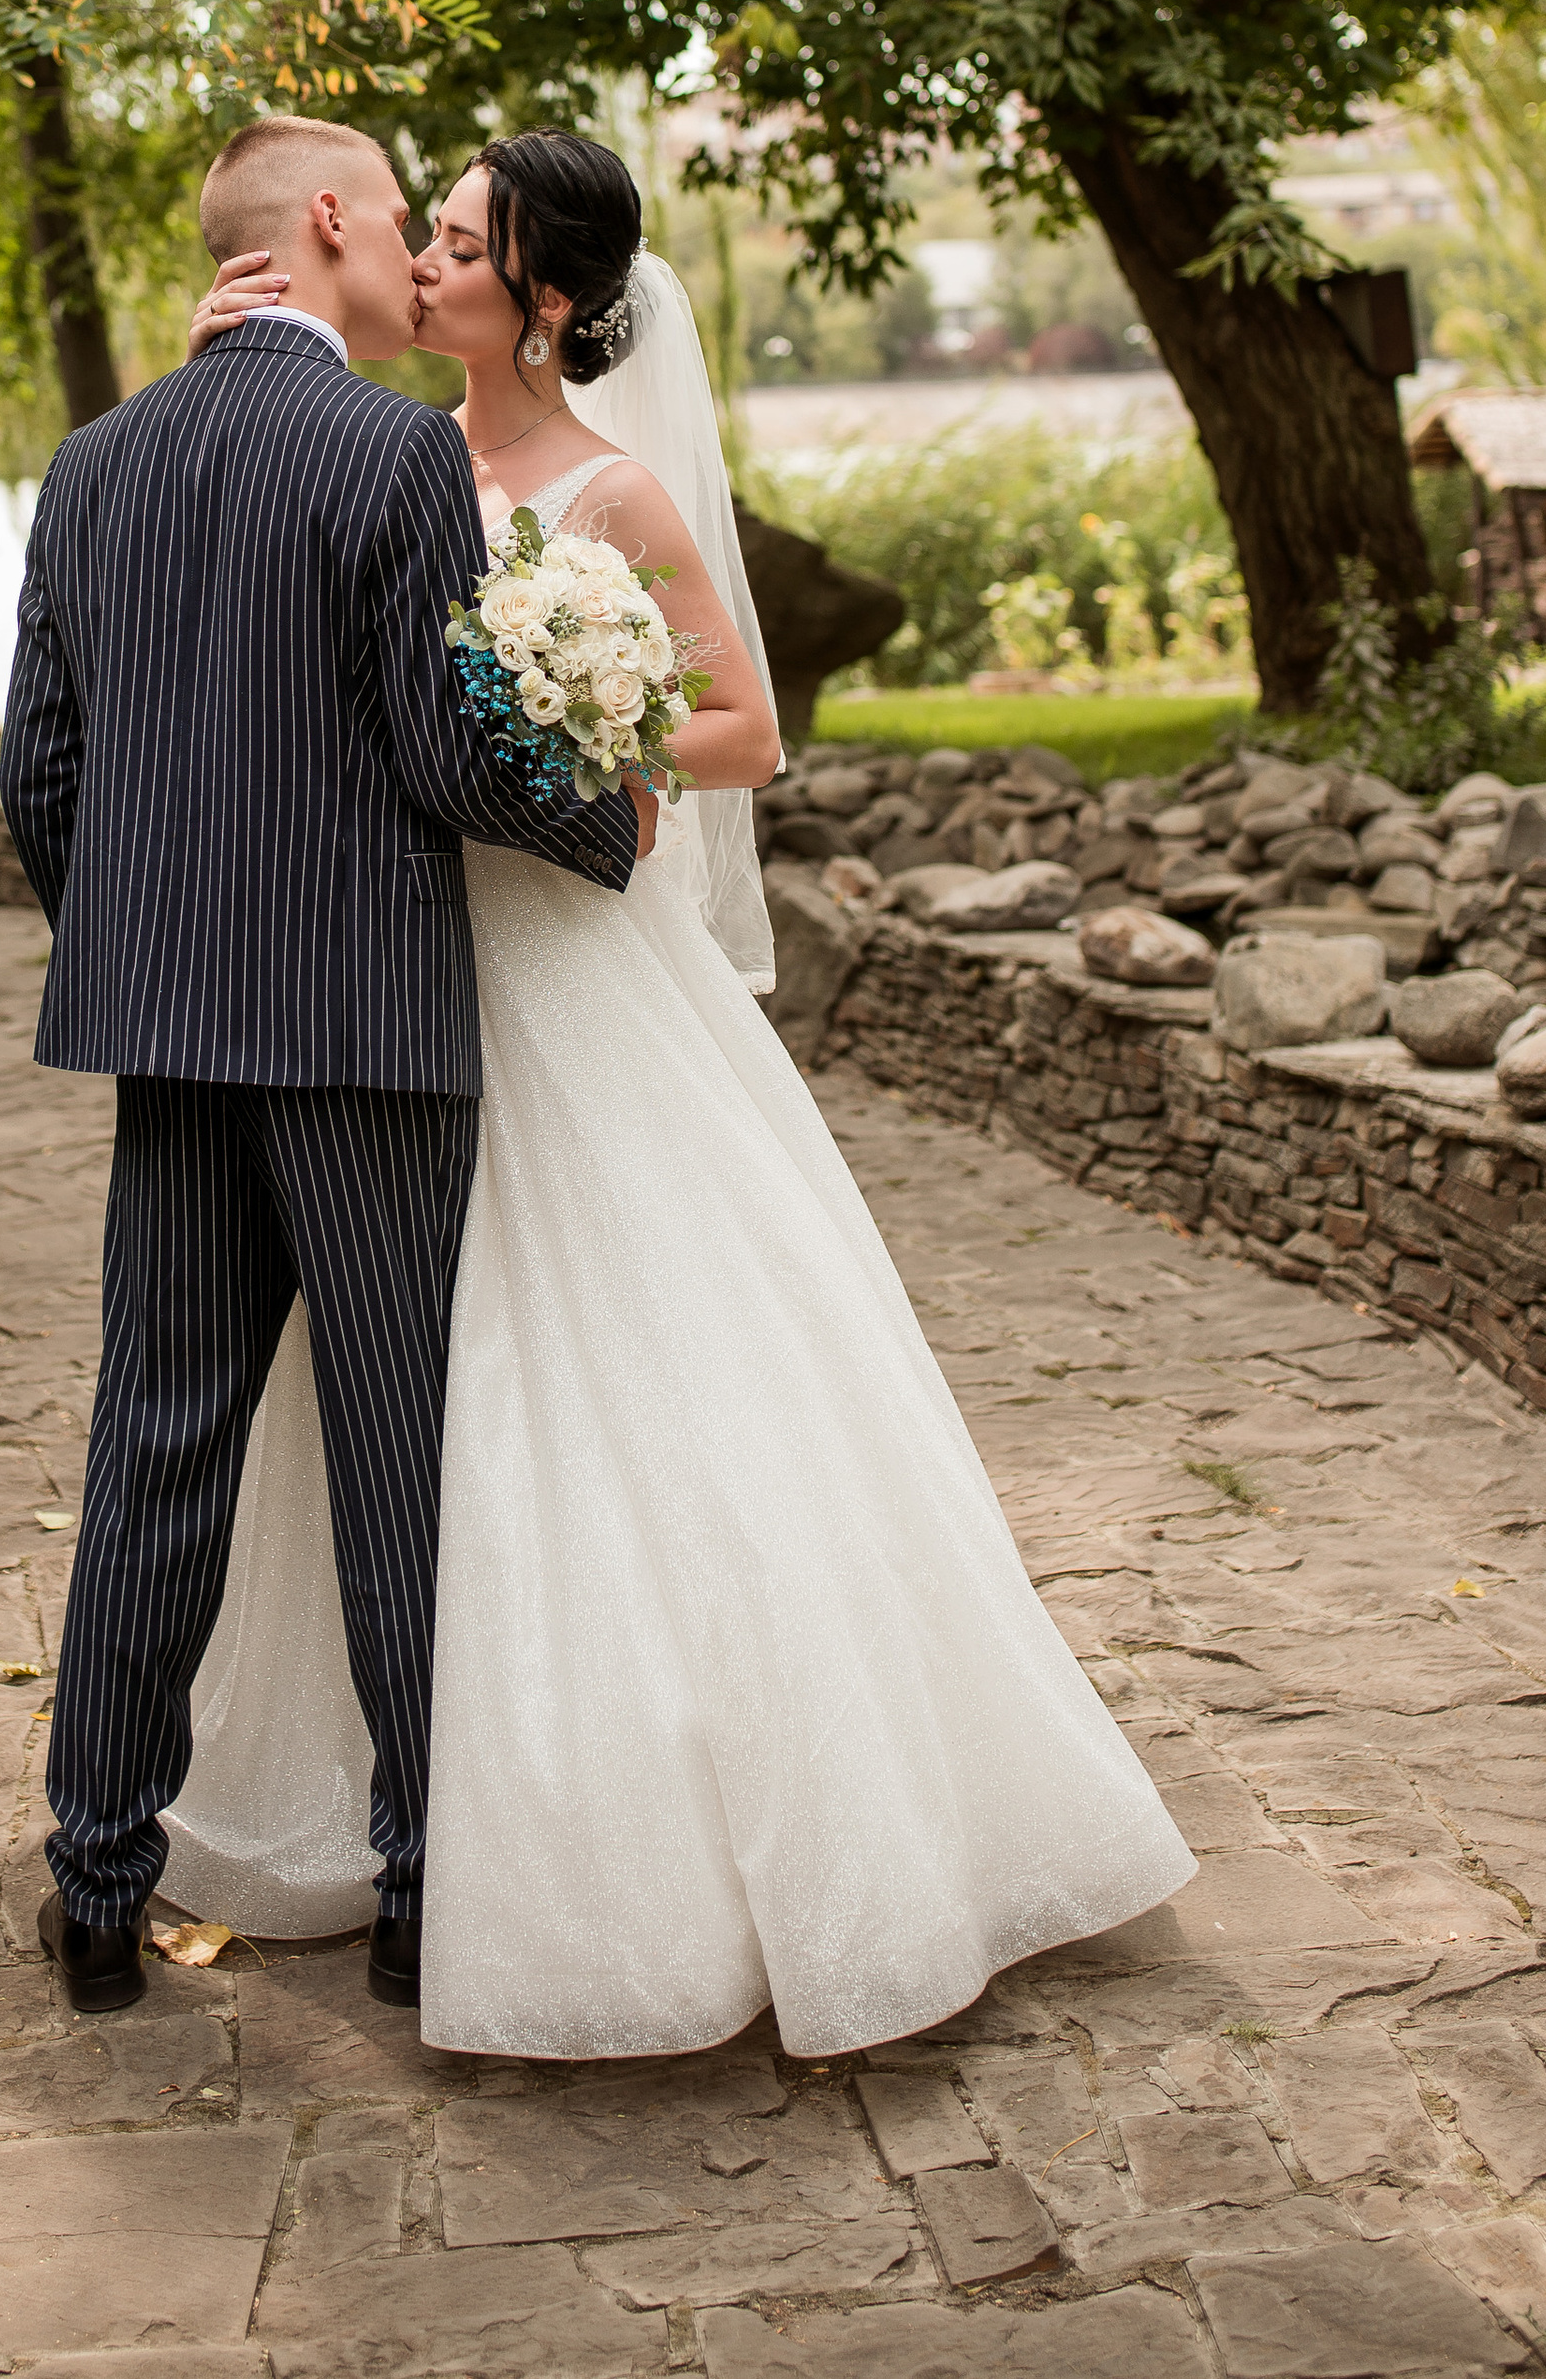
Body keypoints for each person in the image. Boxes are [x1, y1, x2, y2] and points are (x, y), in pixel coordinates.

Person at [160, 129, 1195, 2057]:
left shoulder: (612, 489)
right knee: (403, 1385)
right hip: (397, 971)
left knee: (633, 1355)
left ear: (545, 301)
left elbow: (748, 730)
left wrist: (590, 715)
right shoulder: (378, 458)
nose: (431, 260)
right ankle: (415, 1803)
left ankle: (709, 1830)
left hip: (567, 961)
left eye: (463, 244)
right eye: (431, 231)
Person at [0, 115, 640, 2022]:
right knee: (397, 1465)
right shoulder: (390, 456)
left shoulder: (91, 467)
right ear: (337, 222)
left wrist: (144, 949)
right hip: (366, 1043)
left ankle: (98, 1886)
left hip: (170, 1044)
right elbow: (444, 754)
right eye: (399, 201)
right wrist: (602, 822)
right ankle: (424, 1900)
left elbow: (42, 777)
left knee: (154, 1442)